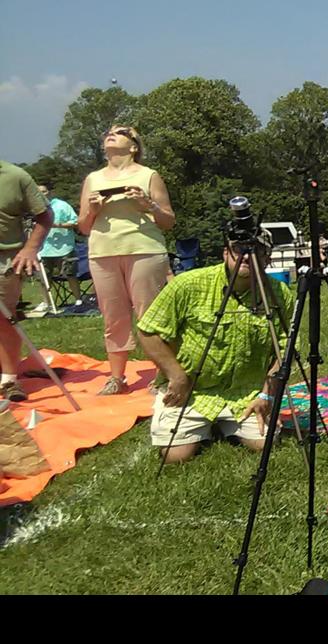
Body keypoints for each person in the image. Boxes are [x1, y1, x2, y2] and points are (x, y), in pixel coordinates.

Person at [134, 242, 294, 464]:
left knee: (265, 444)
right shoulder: (187, 284)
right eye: (239, 249)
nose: (246, 256)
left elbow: (285, 349)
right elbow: (148, 331)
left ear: (267, 258)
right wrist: (176, 376)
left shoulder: (279, 294)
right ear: (225, 252)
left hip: (245, 392)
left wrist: (267, 394)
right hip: (192, 390)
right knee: (175, 456)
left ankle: (223, 424)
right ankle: (209, 425)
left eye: (255, 250)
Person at [77, 124, 175, 395]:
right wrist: (93, 210)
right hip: (103, 252)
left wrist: (148, 205)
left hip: (144, 249)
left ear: (134, 146)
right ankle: (116, 378)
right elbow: (83, 226)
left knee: (150, 316)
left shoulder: (149, 176)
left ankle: (162, 376)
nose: (111, 133)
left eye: (120, 132)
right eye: (107, 132)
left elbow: (168, 220)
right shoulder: (93, 179)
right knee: (113, 318)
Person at [1, 160, 54, 402]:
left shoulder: (15, 176)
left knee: (4, 318)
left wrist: (31, 248)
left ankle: (9, 380)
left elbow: (44, 215)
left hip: (6, 260)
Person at [34, 184, 79, 311]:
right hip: (44, 249)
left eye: (44, 191)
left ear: (49, 192)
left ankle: (78, 300)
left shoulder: (62, 205)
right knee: (43, 278)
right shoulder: (34, 208)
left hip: (64, 247)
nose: (42, 194)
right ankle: (46, 303)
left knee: (70, 274)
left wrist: (57, 225)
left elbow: (75, 222)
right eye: (38, 192)